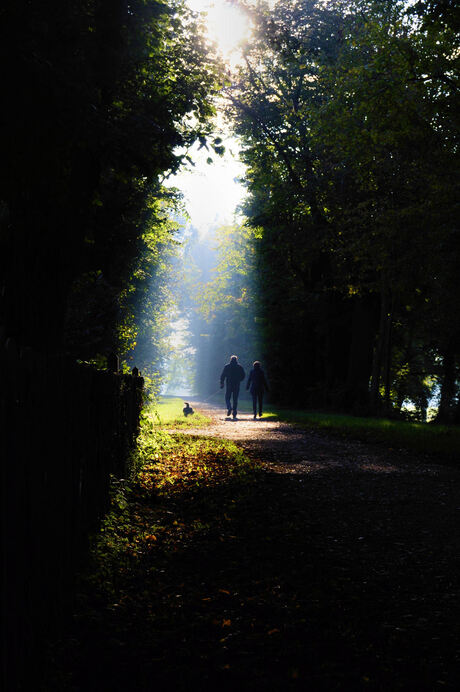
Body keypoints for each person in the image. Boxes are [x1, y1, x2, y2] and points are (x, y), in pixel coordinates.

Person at [220, 355, 245, 419]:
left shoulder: (227, 366)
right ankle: (234, 413)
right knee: (235, 399)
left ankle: (229, 407)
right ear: (236, 360)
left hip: (229, 385)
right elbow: (243, 375)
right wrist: (239, 380)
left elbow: (223, 375)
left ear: (230, 359)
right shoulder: (239, 367)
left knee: (227, 397)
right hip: (236, 385)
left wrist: (222, 383)